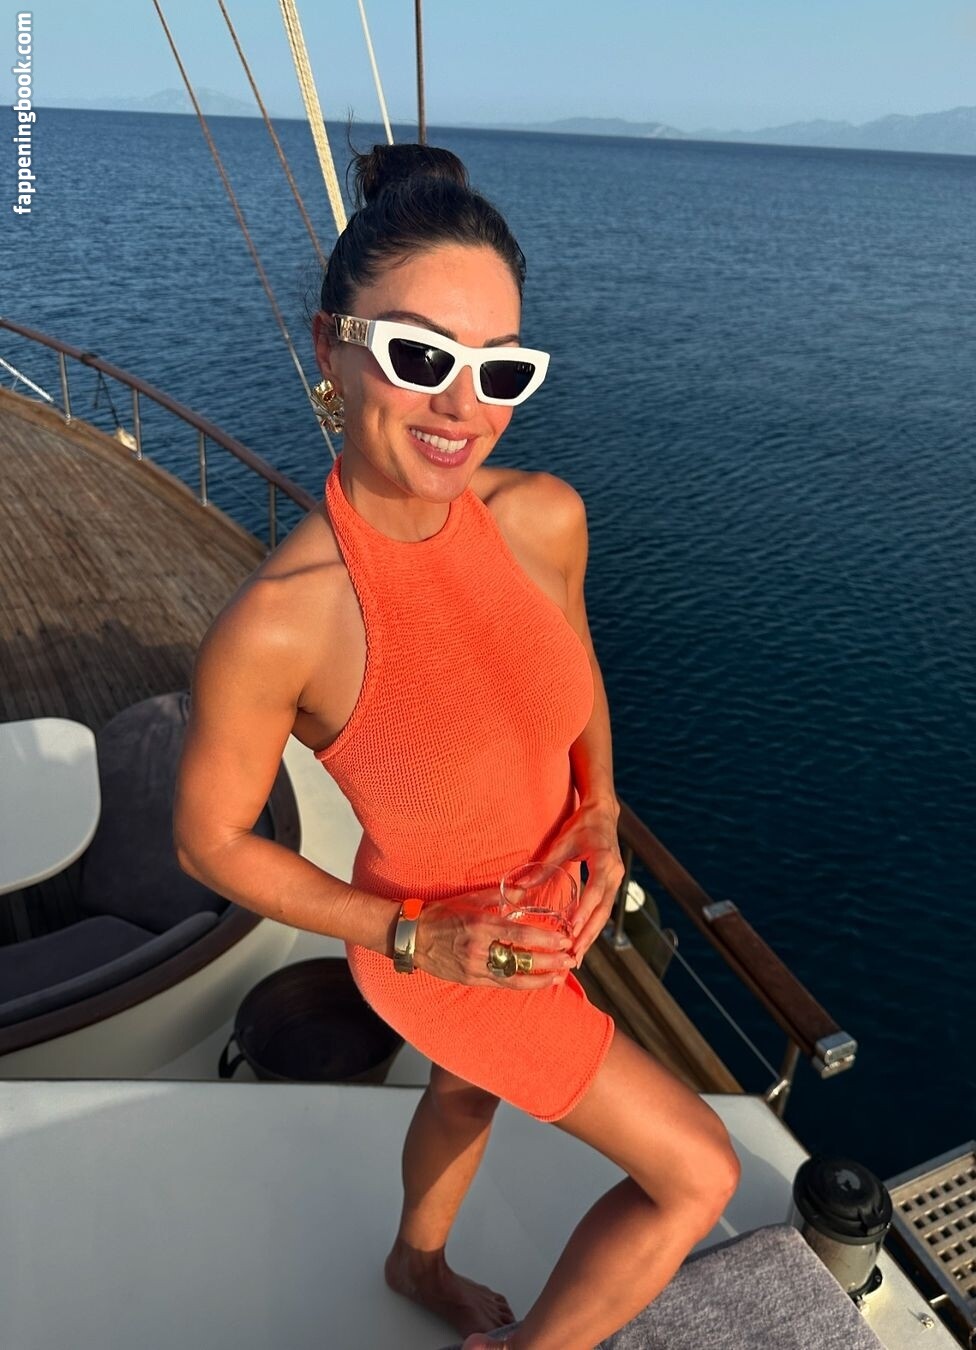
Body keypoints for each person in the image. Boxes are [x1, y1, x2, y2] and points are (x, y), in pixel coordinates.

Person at [174, 143, 740, 1350]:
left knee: (462, 1094)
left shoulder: (542, 518)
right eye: (420, 357)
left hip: (547, 914)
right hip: (433, 948)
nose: (463, 408)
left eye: (500, 369)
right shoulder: (284, 624)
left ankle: (412, 1262)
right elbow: (209, 841)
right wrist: (414, 937)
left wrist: (600, 810)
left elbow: (577, 678)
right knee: (698, 1175)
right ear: (332, 349)